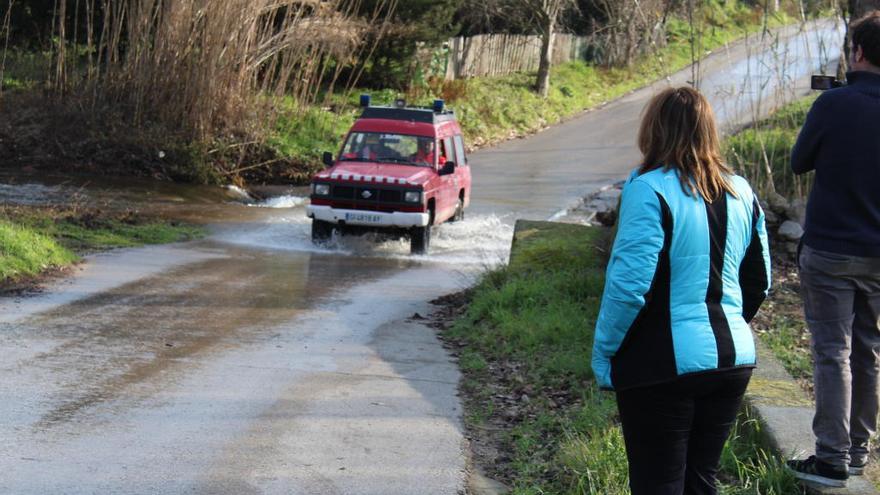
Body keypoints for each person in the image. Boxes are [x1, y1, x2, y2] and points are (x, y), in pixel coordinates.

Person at [591, 87, 771, 495]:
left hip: (663, 364)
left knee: (658, 484)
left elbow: (630, 287)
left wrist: (605, 353)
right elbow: (759, 281)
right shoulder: (742, 190)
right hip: (733, 359)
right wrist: (726, 323)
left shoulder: (648, 189)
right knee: (700, 481)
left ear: (653, 130)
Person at [786, 11, 880, 488]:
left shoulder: (834, 104)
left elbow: (799, 162)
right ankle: (860, 451)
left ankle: (831, 458)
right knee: (868, 351)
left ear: (858, 52)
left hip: (830, 250)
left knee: (832, 352)